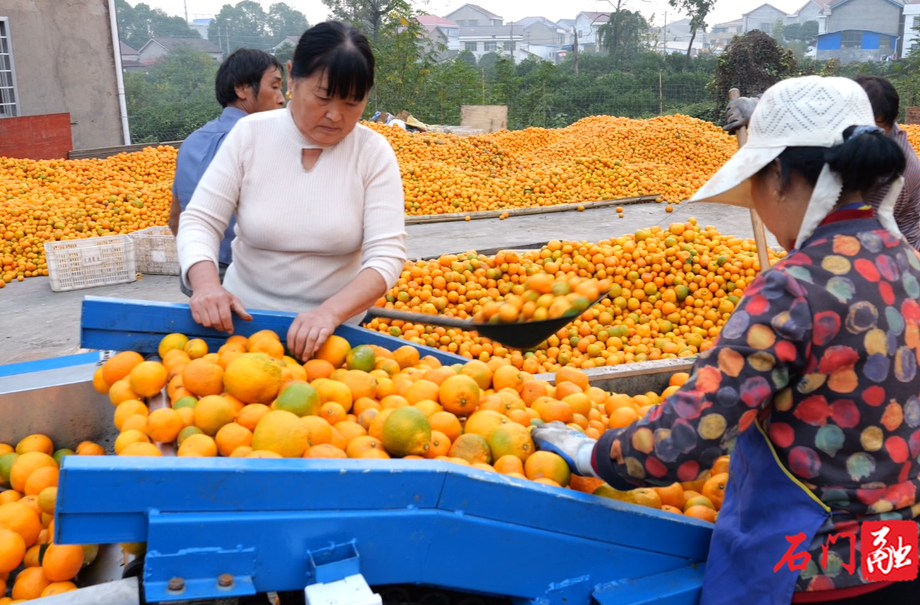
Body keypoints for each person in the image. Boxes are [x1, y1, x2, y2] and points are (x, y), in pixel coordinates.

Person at [534, 77, 920, 604]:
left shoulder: (793, 287)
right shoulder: (907, 264)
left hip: (809, 564)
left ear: (780, 175)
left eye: (756, 185)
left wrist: (590, 454)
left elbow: (685, 440)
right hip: (898, 554)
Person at [177, 22, 407, 361]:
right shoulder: (250, 135)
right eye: (324, 96)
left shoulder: (373, 152)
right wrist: (207, 285)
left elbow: (386, 255)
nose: (335, 115)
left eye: (352, 102)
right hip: (244, 332)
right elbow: (200, 221)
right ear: (292, 78)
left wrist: (328, 314)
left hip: (336, 340)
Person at [724, 75, 920, 251]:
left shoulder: (893, 168)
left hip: (894, 249)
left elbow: (859, 231)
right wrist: (760, 110)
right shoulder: (848, 139)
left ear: (892, 122)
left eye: (874, 125)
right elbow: (811, 111)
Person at [168, 48, 285, 296]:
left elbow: (176, 220)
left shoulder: (191, 142)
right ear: (242, 89)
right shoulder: (262, 140)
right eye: (274, 87)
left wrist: (199, 262)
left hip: (199, 277)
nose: (281, 98)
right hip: (250, 280)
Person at [854, 76, 920, 250]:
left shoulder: (895, 172)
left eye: (875, 127)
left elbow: (866, 227)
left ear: (892, 119)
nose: (864, 134)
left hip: (899, 251)